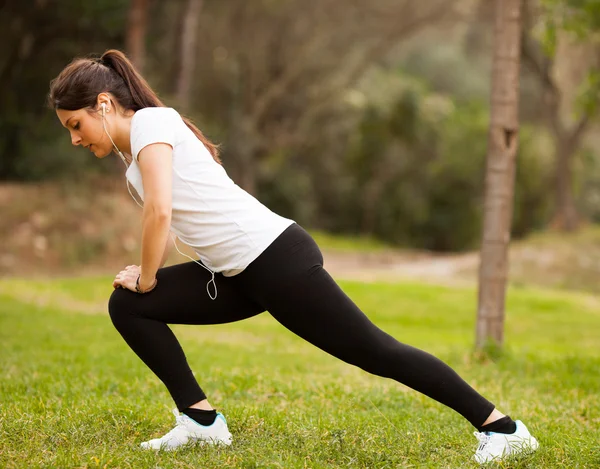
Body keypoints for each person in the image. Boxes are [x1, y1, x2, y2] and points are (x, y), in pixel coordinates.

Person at [48, 49, 538, 464]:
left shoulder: (154, 123)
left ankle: (504, 430)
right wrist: (144, 283)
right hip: (235, 272)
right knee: (128, 305)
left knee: (374, 351)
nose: (74, 138)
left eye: (76, 124)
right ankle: (200, 421)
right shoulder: (134, 155)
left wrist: (149, 276)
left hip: (277, 259)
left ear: (105, 103)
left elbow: (159, 211)